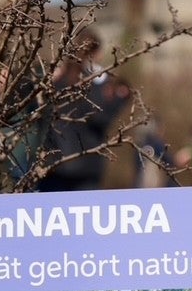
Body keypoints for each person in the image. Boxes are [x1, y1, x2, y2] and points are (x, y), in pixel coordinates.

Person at [38, 36, 130, 193]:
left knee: (51, 208)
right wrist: (120, 99)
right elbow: (100, 118)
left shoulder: (54, 82)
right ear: (95, 53)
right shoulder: (94, 84)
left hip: (53, 163)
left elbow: (37, 114)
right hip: (85, 164)